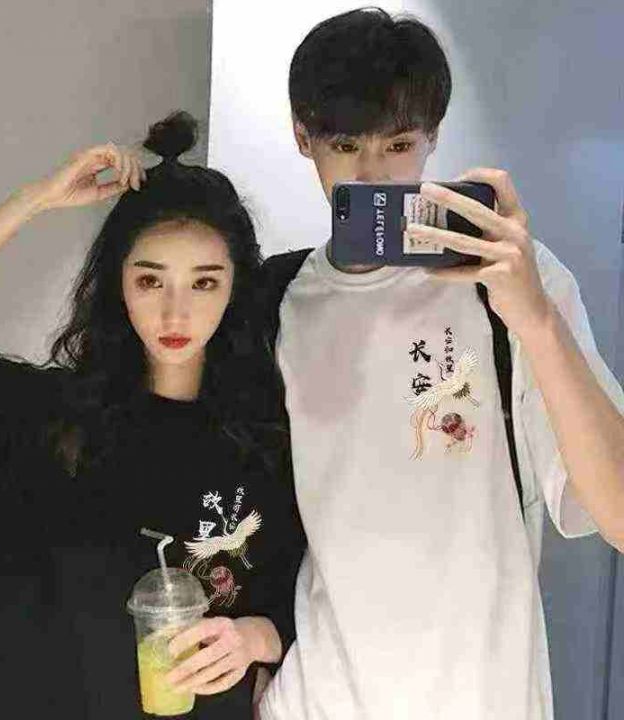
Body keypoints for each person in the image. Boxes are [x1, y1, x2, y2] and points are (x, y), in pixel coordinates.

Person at [256, 8, 624, 720]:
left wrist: (536, 318)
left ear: (434, 138)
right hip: (318, 700)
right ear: (303, 138)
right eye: (344, 145)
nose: (372, 175)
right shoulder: (273, 302)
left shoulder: (511, 282)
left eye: (398, 145)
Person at [0, 111, 305, 719]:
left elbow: (304, 602)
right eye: (150, 281)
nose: (175, 313)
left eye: (204, 283)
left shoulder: (268, 441)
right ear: (118, 284)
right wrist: (33, 200)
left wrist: (255, 638)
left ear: (236, 290)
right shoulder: (49, 421)